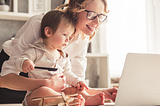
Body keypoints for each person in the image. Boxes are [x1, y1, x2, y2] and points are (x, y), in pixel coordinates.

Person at [0, 0, 117, 103]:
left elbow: (75, 82)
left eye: (101, 16)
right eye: (92, 15)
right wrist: (47, 83)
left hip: (49, 87)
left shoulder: (83, 37)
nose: (97, 23)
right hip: (17, 78)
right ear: (76, 9)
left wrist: (100, 93)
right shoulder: (42, 24)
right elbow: (4, 80)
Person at [15, 10, 105, 106]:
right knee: (44, 90)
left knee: (75, 89)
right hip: (35, 96)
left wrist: (77, 81)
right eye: (65, 35)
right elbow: (19, 60)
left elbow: (67, 73)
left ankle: (86, 99)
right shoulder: (35, 50)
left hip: (59, 92)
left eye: (69, 36)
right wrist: (25, 62)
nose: (67, 39)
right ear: (48, 32)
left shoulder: (63, 56)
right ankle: (66, 102)